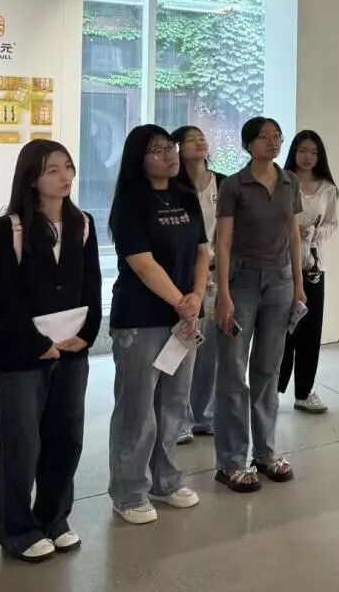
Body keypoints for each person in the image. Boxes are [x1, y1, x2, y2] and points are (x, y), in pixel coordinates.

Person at [0, 141, 102, 562]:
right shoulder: (10, 228)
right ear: (32, 178)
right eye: (52, 170)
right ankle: (18, 530)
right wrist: (38, 343)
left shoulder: (82, 223)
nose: (64, 176)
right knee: (21, 444)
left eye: (68, 167)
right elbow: (5, 294)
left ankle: (55, 518)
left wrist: (88, 333)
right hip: (22, 353)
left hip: (72, 349)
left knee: (66, 437)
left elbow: (92, 284)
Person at [106, 125, 209, 525]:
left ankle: (165, 480)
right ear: (139, 159)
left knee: (173, 404)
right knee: (137, 408)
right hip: (141, 318)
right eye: (157, 150)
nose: (169, 155)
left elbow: (202, 251)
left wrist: (196, 296)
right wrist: (182, 303)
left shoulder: (186, 196)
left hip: (184, 318)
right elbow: (142, 264)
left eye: (171, 147)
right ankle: (129, 491)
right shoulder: (130, 202)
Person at [213, 117, 305, 493]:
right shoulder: (234, 185)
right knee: (233, 371)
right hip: (243, 282)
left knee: (268, 368)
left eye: (277, 136)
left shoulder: (290, 182)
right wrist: (223, 294)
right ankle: (231, 461)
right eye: (264, 137)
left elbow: (294, 234)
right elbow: (222, 242)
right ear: (248, 144)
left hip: (280, 283)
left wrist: (299, 285)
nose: (273, 142)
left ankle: (265, 453)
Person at [278, 130, 339, 414]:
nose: (308, 157)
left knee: (310, 331)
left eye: (313, 152)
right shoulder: (282, 181)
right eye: (303, 150)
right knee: (280, 330)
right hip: (281, 264)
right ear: (294, 152)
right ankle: (271, 389)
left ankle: (304, 392)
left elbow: (332, 223)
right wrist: (291, 231)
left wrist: (313, 232)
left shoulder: (327, 188)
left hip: (313, 265)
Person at [172, 125, 225, 443]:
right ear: (177, 148)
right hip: (184, 278)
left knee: (211, 352)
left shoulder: (223, 183)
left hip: (216, 274)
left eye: (202, 137)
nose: (199, 142)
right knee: (182, 348)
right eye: (191, 139)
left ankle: (205, 415)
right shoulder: (172, 187)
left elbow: (229, 233)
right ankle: (179, 420)